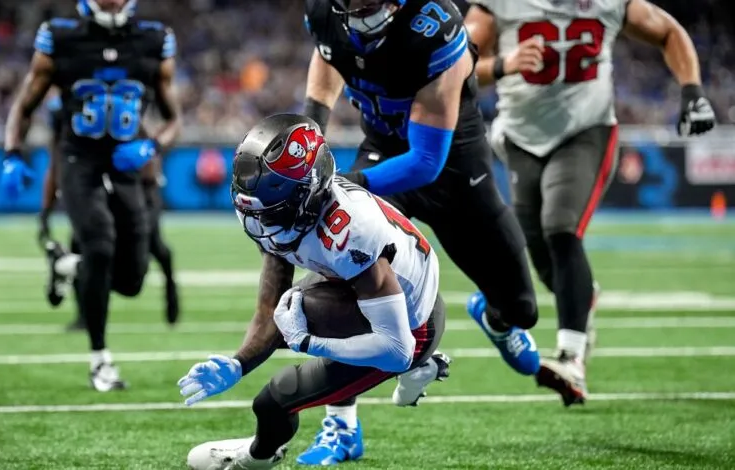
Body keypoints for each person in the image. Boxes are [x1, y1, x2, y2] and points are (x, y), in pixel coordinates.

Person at [297, 0, 542, 463]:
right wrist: (313, 123)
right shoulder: (324, 12)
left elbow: (426, 162)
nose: (361, 7)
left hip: (454, 171)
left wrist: (345, 184)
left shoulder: (435, 27)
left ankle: (495, 317)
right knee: (342, 268)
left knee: (523, 308)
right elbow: (329, 53)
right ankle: (341, 426)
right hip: (383, 151)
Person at [464, 0, 716, 405]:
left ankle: (571, 357)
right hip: (521, 136)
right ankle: (584, 301)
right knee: (541, 255)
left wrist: (692, 91)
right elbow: (454, 61)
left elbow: (668, 30)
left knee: (562, 229)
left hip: (587, 129)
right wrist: (504, 64)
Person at [178, 113, 448, 470]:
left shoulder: (351, 231)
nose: (261, 219)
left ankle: (253, 460)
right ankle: (419, 368)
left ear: (308, 192)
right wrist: (237, 363)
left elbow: (397, 350)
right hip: (359, 293)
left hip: (413, 324)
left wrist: (308, 343)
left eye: (274, 208)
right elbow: (270, 308)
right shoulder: (269, 211)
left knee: (274, 400)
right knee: (291, 311)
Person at [0, 0, 182, 391]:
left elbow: (173, 120)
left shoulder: (153, 39)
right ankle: (100, 361)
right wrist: (12, 154)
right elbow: (24, 105)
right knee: (99, 243)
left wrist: (152, 148)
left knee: (132, 279)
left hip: (126, 163)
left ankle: (71, 267)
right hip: (78, 160)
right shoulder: (61, 37)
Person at [38, 93, 180, 330]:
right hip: (94, 194)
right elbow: (55, 167)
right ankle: (85, 315)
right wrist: (46, 210)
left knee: (153, 253)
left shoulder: (117, 112)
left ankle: (170, 295)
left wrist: (151, 185)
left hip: (134, 193)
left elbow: (150, 144)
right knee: (84, 247)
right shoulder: (67, 133)